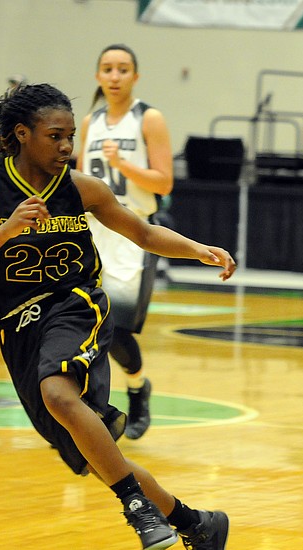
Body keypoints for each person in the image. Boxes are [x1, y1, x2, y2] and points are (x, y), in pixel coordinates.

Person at [0, 82, 235, 550]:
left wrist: (199, 249)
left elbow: (142, 232)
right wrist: (7, 230)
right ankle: (197, 525)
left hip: (75, 306)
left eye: (70, 136)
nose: (65, 145)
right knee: (99, 460)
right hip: (18, 327)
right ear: (22, 134)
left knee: (59, 392)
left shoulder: (81, 188)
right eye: (55, 136)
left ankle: (137, 510)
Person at [77, 44, 171, 441]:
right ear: (98, 76)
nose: (114, 76)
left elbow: (164, 182)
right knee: (83, 322)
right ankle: (83, 412)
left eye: (123, 69)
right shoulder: (88, 122)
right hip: (93, 233)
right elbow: (81, 182)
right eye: (107, 69)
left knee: (115, 326)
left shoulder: (148, 118)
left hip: (133, 232)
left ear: (136, 76)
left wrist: (124, 165)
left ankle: (137, 388)